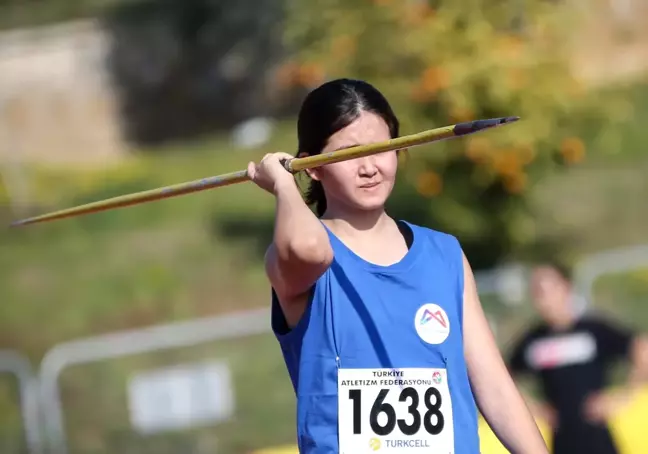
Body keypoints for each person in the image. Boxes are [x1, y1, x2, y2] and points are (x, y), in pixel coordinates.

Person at [248, 78, 548, 454]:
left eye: (381, 148)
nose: (370, 167)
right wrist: (282, 184)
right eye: (348, 154)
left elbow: (494, 385)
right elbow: (309, 247)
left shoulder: (445, 254)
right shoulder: (299, 261)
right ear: (312, 166)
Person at [507, 262, 648, 454]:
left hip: (599, 439)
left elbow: (641, 349)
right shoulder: (533, 340)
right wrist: (533, 409)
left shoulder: (593, 329)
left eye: (548, 289)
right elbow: (502, 376)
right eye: (537, 292)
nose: (544, 299)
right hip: (561, 441)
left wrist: (620, 398)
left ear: (566, 287)